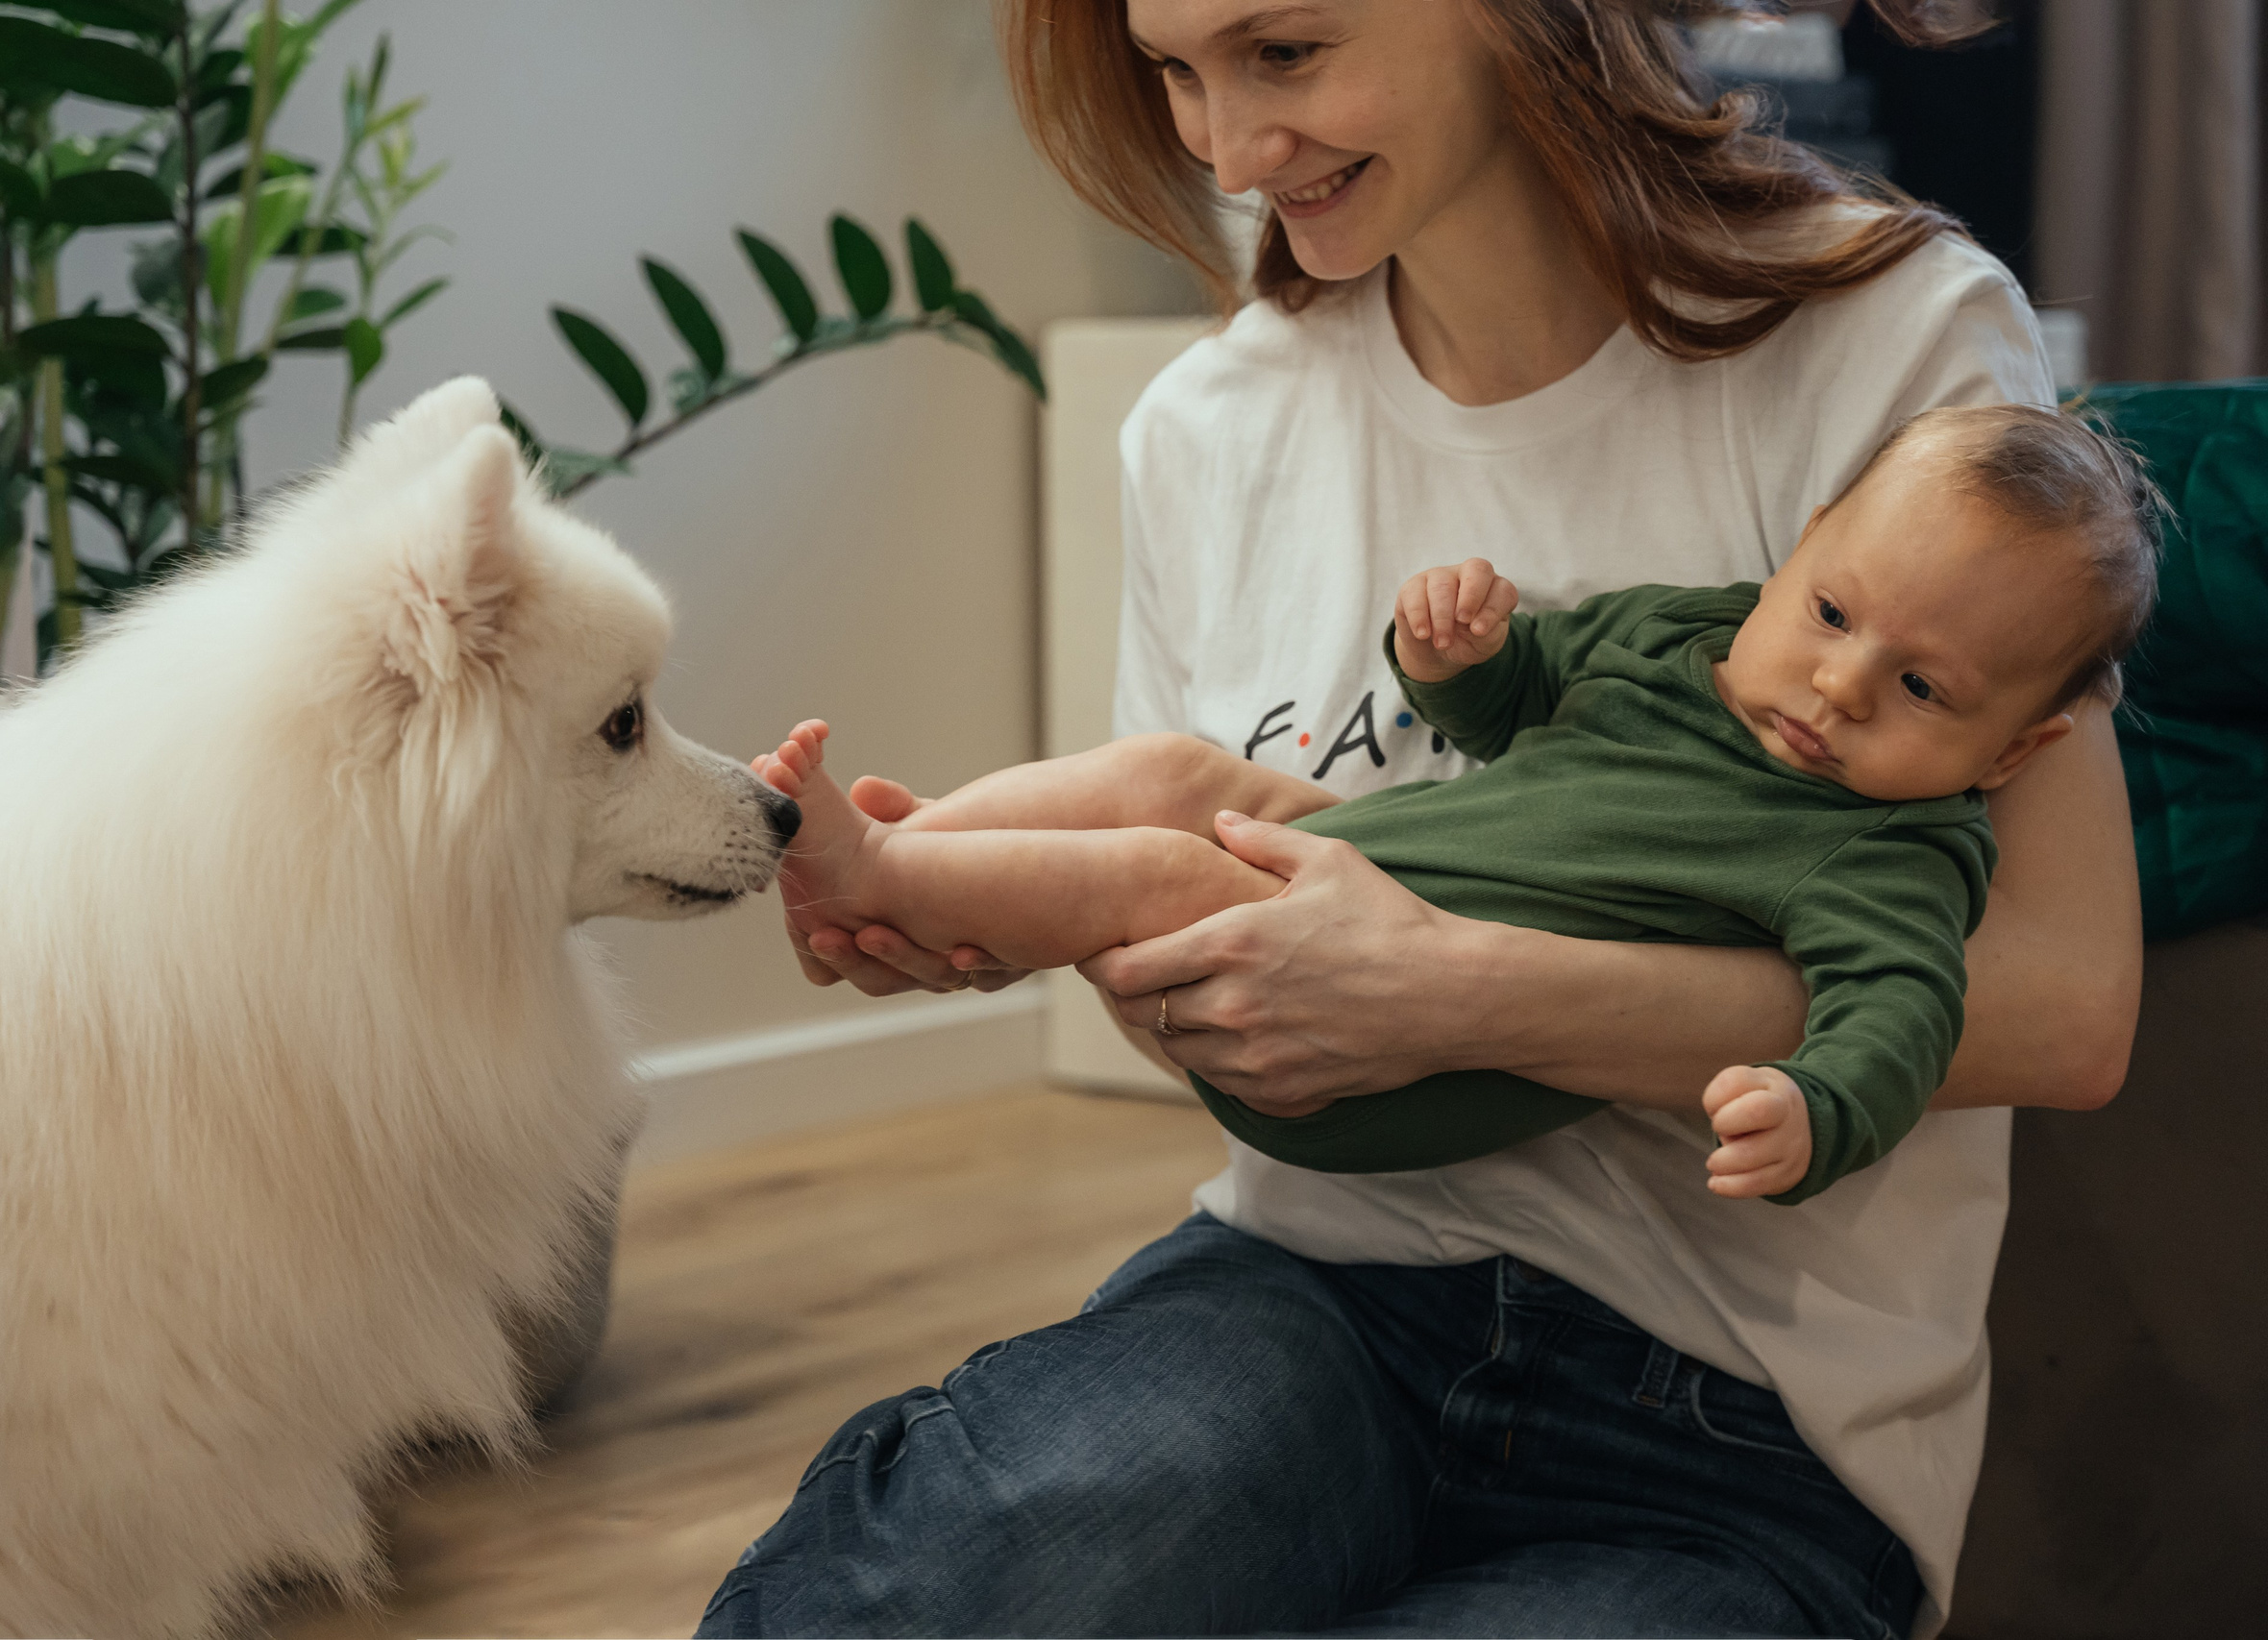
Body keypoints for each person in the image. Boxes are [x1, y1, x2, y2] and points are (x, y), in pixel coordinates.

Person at [701, 3, 2142, 1635]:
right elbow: (1213, 971)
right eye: (1176, 71)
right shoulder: (1209, 428)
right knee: (926, 1589)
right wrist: (1022, 919)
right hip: (1313, 1292)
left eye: (1287, 53)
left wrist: (1460, 991)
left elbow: (2066, 1012)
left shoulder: (1895, 340)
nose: (1228, 155)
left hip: (1746, 1413)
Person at [750, 404, 2159, 1205]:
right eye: (1834, 610)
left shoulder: (1896, 851)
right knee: (1175, 776)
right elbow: (1513, 706)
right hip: (1354, 870)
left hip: (1391, 1068)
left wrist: (1816, 1108)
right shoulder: (1697, 636)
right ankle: (928, 854)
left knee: (1157, 876)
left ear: (2010, 752)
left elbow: (1902, 1017)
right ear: (1799, 554)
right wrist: (1458, 659)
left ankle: (874, 862)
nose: (1841, 684)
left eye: (1924, 689)